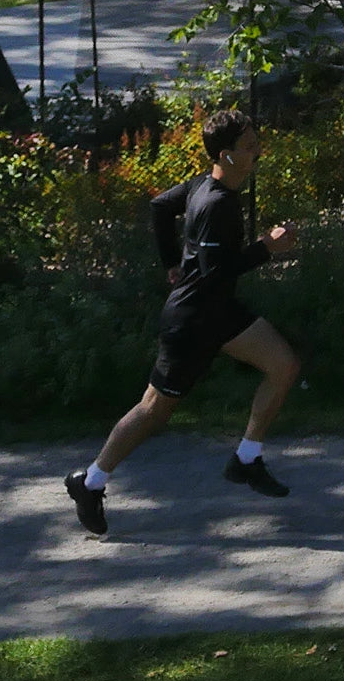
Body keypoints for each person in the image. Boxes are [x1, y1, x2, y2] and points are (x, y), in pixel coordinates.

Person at [65, 109, 301, 535]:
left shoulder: (201, 186)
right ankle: (90, 482)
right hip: (193, 320)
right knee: (154, 411)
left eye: (255, 141)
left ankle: (247, 458)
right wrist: (267, 248)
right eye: (249, 147)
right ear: (227, 156)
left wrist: (171, 262)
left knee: (283, 366)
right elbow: (215, 274)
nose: (258, 151)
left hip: (220, 313)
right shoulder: (215, 204)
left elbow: (159, 207)